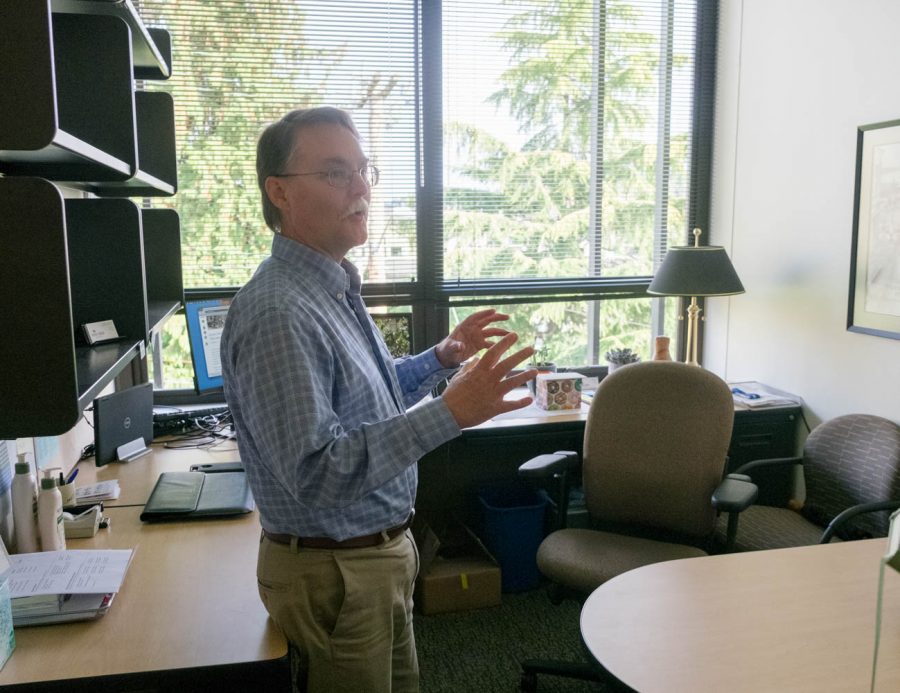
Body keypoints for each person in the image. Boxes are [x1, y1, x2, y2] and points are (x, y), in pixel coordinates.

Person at [220, 106, 536, 693]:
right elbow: (318, 472)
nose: (362, 187)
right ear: (279, 192)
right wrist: (449, 412)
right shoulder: (278, 312)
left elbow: (365, 392)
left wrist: (439, 360)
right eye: (337, 173)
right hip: (334, 572)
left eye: (364, 169)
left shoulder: (328, 286)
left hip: (371, 559)